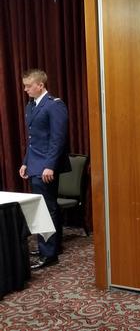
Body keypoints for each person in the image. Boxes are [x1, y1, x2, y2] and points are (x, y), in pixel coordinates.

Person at [19, 69, 70, 269]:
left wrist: (50, 166)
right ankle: (52, 246)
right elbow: (33, 140)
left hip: (46, 166)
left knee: (46, 209)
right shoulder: (31, 106)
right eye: (24, 85)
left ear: (40, 85)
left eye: (28, 85)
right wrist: (25, 162)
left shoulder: (54, 106)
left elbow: (57, 139)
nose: (25, 89)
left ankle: (49, 254)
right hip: (35, 163)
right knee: (45, 207)